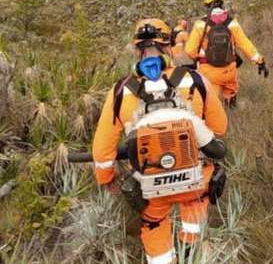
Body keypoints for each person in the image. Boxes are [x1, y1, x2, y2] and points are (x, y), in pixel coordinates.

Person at [93, 19, 228, 264]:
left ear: (137, 50)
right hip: (193, 179)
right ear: (168, 46)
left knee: (154, 225)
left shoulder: (121, 91)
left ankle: (163, 259)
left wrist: (107, 179)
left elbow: (102, 151)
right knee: (195, 206)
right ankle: (191, 250)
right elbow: (220, 128)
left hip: (150, 186)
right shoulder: (195, 79)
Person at [185, 0, 268, 106]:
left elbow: (189, 50)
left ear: (207, 5)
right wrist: (260, 61)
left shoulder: (200, 25)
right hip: (229, 71)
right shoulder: (232, 23)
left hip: (209, 72)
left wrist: (200, 57)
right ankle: (233, 114)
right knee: (231, 101)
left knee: (211, 104)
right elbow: (245, 45)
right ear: (222, 3)